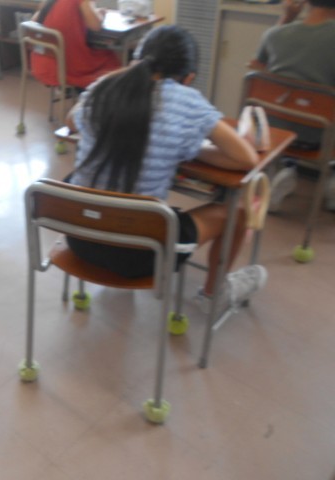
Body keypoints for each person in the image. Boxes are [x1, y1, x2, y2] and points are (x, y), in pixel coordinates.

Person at [66, 25, 267, 311]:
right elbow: (246, 157)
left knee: (80, 178)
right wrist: (187, 145)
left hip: (79, 237)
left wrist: (118, 75)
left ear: (137, 60)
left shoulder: (105, 87)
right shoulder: (187, 101)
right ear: (189, 78)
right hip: (138, 256)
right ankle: (214, 294)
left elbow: (71, 121)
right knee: (239, 211)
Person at [252, 0, 335, 212]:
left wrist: (287, 18)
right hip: (320, 141)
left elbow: (257, 68)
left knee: (294, 107)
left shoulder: (274, 34)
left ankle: (287, 168)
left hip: (273, 134)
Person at [30, 0, 121, 90]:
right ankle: (91, 93)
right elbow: (95, 26)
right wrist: (100, 15)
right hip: (67, 68)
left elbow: (33, 22)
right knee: (109, 58)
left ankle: (72, 92)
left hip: (43, 63)